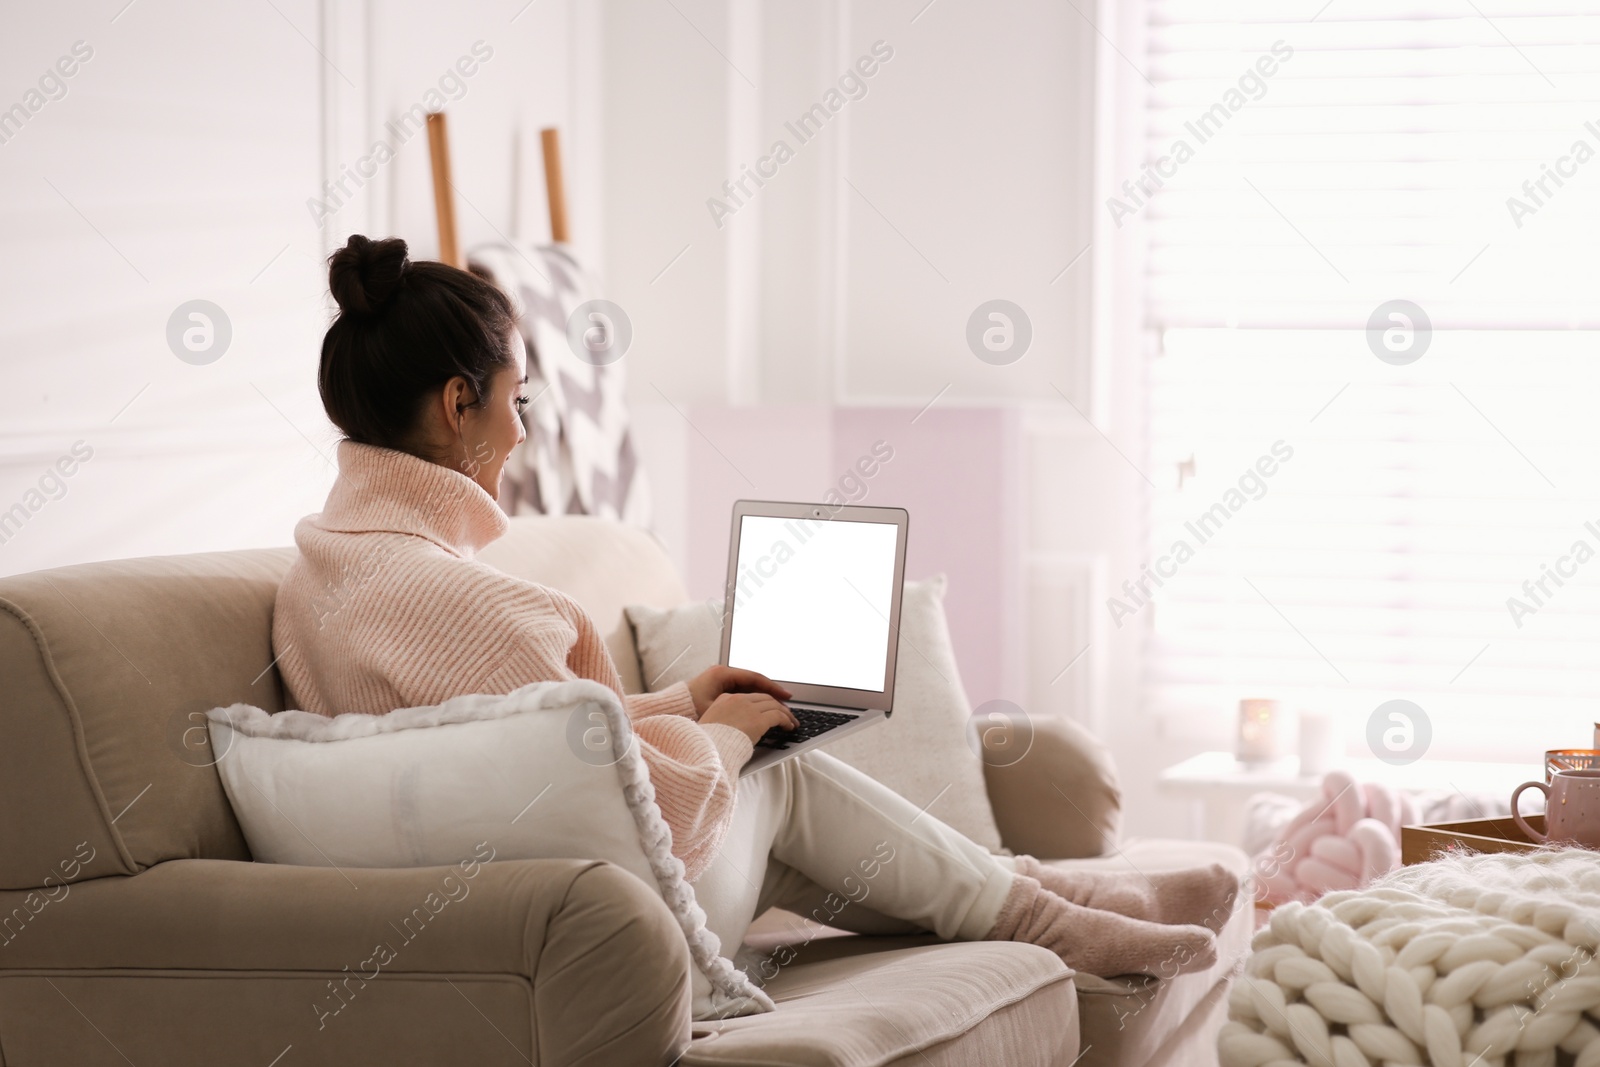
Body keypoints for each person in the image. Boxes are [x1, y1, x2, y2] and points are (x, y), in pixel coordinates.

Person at [273, 234, 1238, 980]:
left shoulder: (320, 574)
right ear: (456, 405)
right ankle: (1049, 914)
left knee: (788, 839)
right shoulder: (473, 605)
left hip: (494, 885)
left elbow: (535, 745)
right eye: (517, 401)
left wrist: (686, 703)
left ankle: (1048, 893)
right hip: (590, 915)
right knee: (778, 779)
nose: (524, 430)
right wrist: (731, 742)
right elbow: (646, 809)